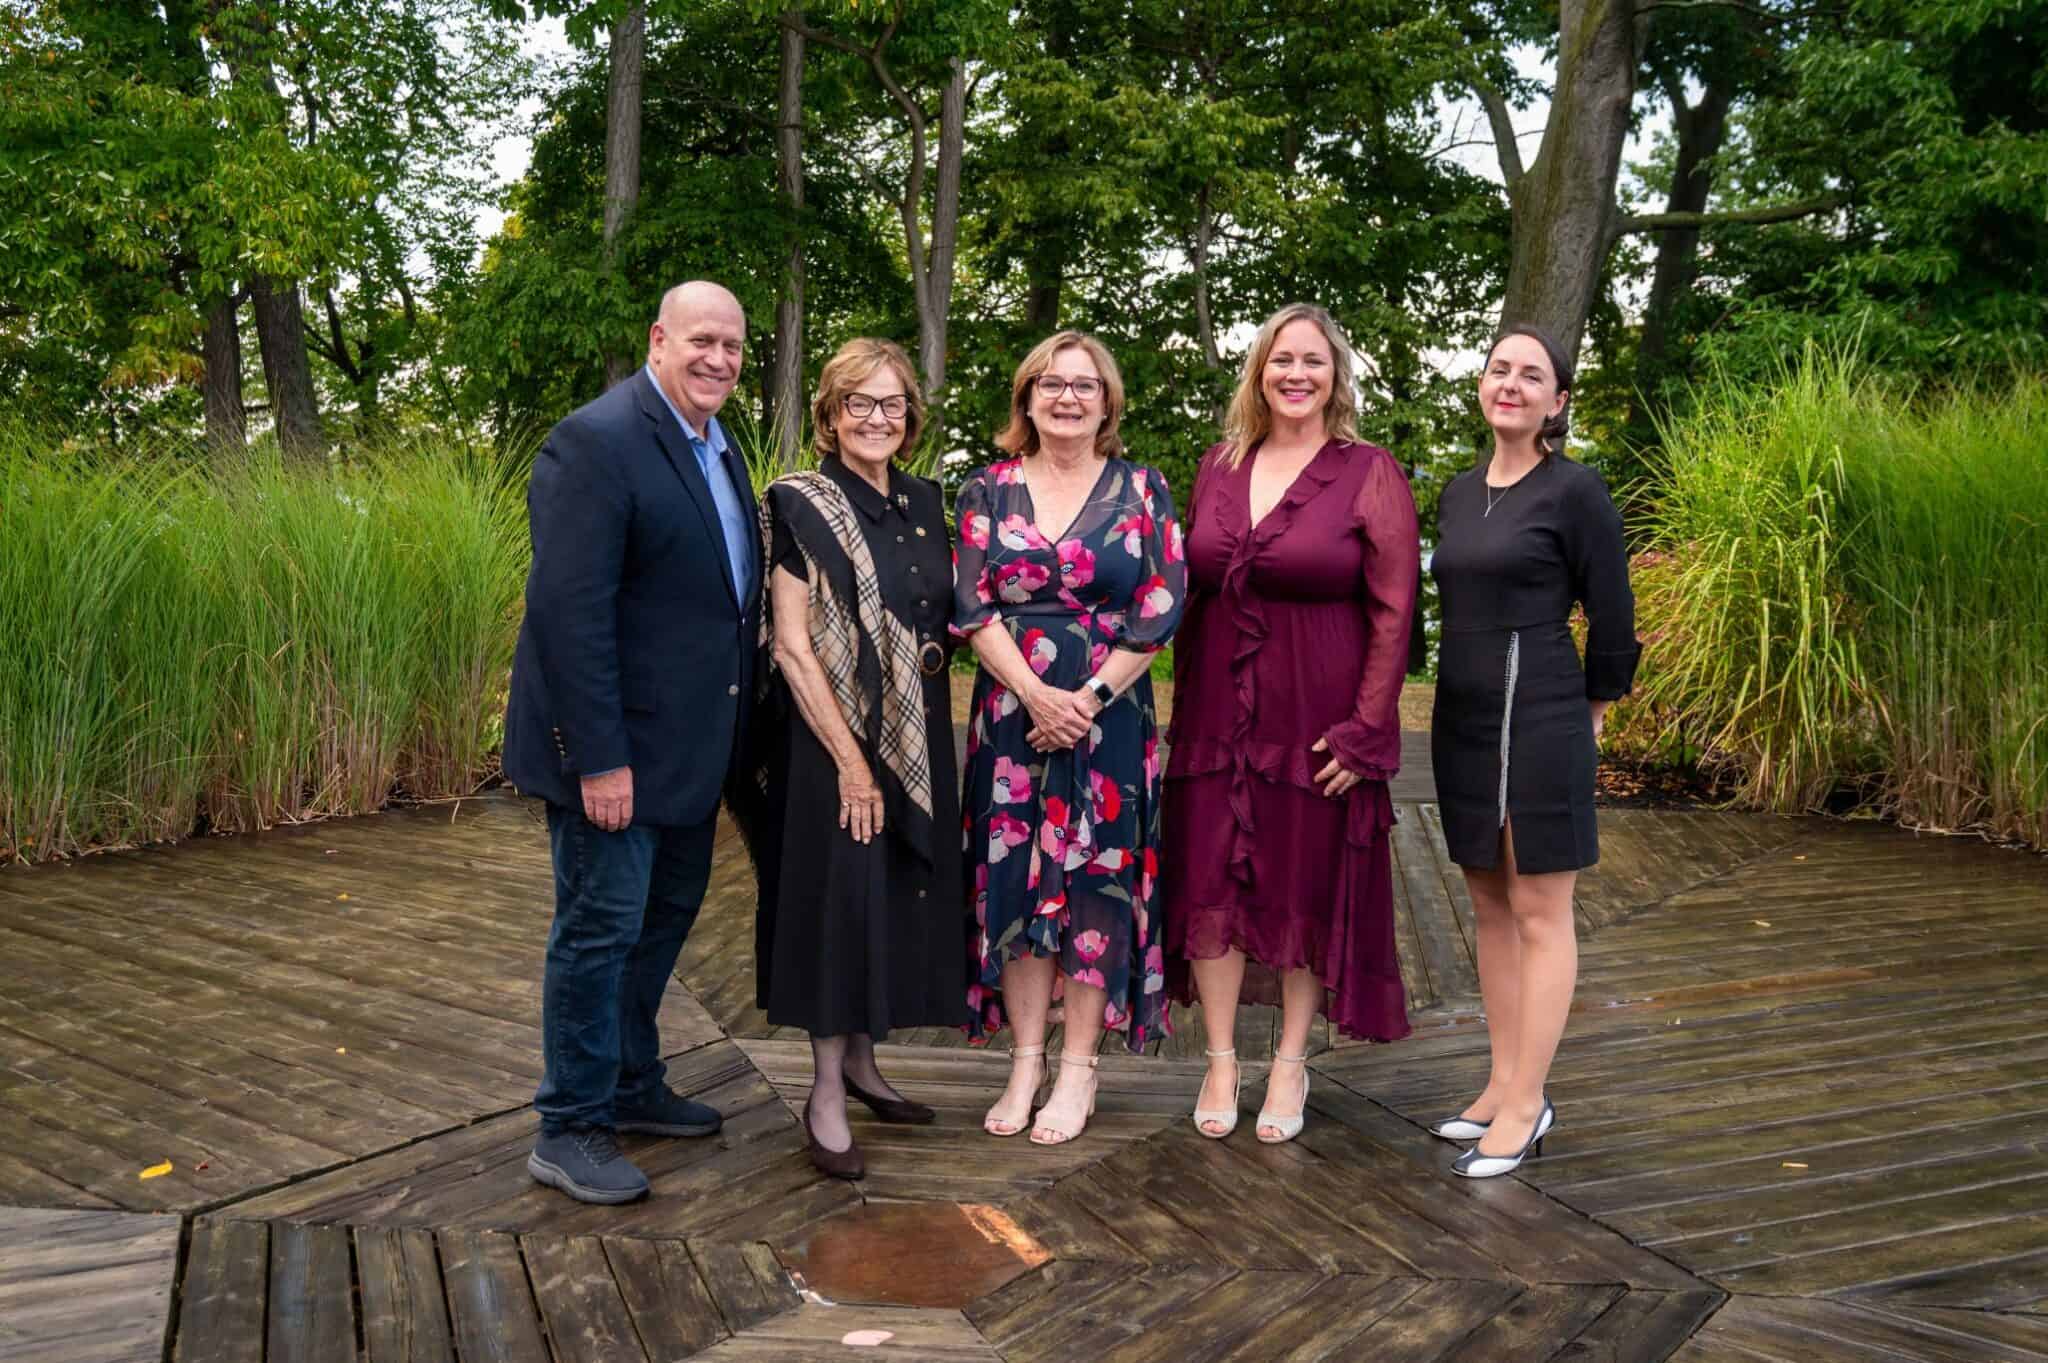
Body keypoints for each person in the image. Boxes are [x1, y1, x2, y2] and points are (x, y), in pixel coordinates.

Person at [503, 281, 760, 1204]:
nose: (718, 359)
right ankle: (569, 1124)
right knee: (599, 931)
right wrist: (598, 758)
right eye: (701, 340)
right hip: (615, 756)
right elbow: (568, 614)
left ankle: (628, 1081)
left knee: (662, 920)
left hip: (690, 751)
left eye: (733, 346)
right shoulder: (597, 441)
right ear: (659, 339)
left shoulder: (718, 445)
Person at [1162, 303, 1420, 1145]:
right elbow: (1188, 591)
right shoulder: (1219, 465)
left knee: (1305, 882)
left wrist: (1366, 729)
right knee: (1211, 878)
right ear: (1259, 372)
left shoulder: (1369, 471)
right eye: (1282, 360)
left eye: (1313, 360)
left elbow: (1395, 612)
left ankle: (1290, 1060)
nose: (1296, 374)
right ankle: (1221, 1058)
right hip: (1215, 716)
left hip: (1318, 719)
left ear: (1336, 375)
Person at [738, 338, 966, 1182]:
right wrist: (852, 762)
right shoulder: (799, 502)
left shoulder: (926, 500)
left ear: (911, 416)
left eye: (892, 403)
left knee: (893, 901)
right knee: (838, 909)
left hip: (917, 729)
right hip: (828, 743)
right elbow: (792, 646)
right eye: (858, 403)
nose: (877, 418)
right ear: (830, 416)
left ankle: (866, 1066)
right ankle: (825, 1092)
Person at [954, 331, 1185, 1146]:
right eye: (1051, 383)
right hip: (1011, 720)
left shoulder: (1143, 488)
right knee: (1014, 881)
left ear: (1107, 400)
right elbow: (971, 606)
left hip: (1108, 719)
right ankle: (1025, 1060)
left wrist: (1084, 699)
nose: (1067, 397)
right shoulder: (988, 489)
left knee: (1097, 883)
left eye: (1085, 385)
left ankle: (1079, 1066)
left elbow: (1161, 605)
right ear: (1026, 396)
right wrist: (1034, 694)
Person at [1427, 324, 1640, 1178]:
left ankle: (1529, 1101)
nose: (1509, 384)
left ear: (1558, 401)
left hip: (1542, 712)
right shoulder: (1456, 493)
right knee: (1488, 905)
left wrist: (1593, 710)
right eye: (1498, 369)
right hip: (1462, 716)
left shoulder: (1575, 491)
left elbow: (1614, 615)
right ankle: (1500, 1081)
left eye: (1530, 375)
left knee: (1540, 909)